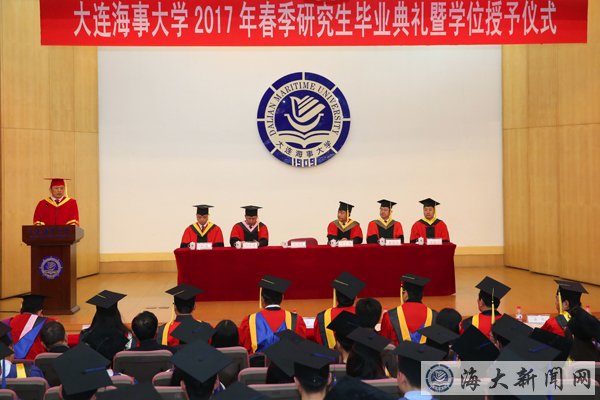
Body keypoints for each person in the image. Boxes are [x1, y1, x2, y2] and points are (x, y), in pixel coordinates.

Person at [239, 275, 307, 354]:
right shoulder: (296, 320)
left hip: (259, 362)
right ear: (282, 297)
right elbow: (301, 350)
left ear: (262, 299)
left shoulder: (249, 321)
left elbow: (244, 350)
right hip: (287, 361)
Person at [380, 274, 437, 345]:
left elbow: (383, 345)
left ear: (406, 294)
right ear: (422, 294)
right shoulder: (435, 316)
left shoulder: (389, 316)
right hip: (427, 352)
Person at [314, 272, 364, 349]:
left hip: (330, 356)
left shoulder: (322, 317)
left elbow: (318, 340)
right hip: (359, 356)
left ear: (336, 297)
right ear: (355, 297)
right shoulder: (363, 315)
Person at [80, 290, 131, 364]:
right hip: (119, 370)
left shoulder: (86, 335)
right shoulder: (126, 335)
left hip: (93, 370)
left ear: (97, 314)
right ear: (117, 313)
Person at [6, 294, 52, 360]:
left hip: (12, 362)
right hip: (37, 362)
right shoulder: (49, 322)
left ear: (21, 309)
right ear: (40, 311)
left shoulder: (6, 322)